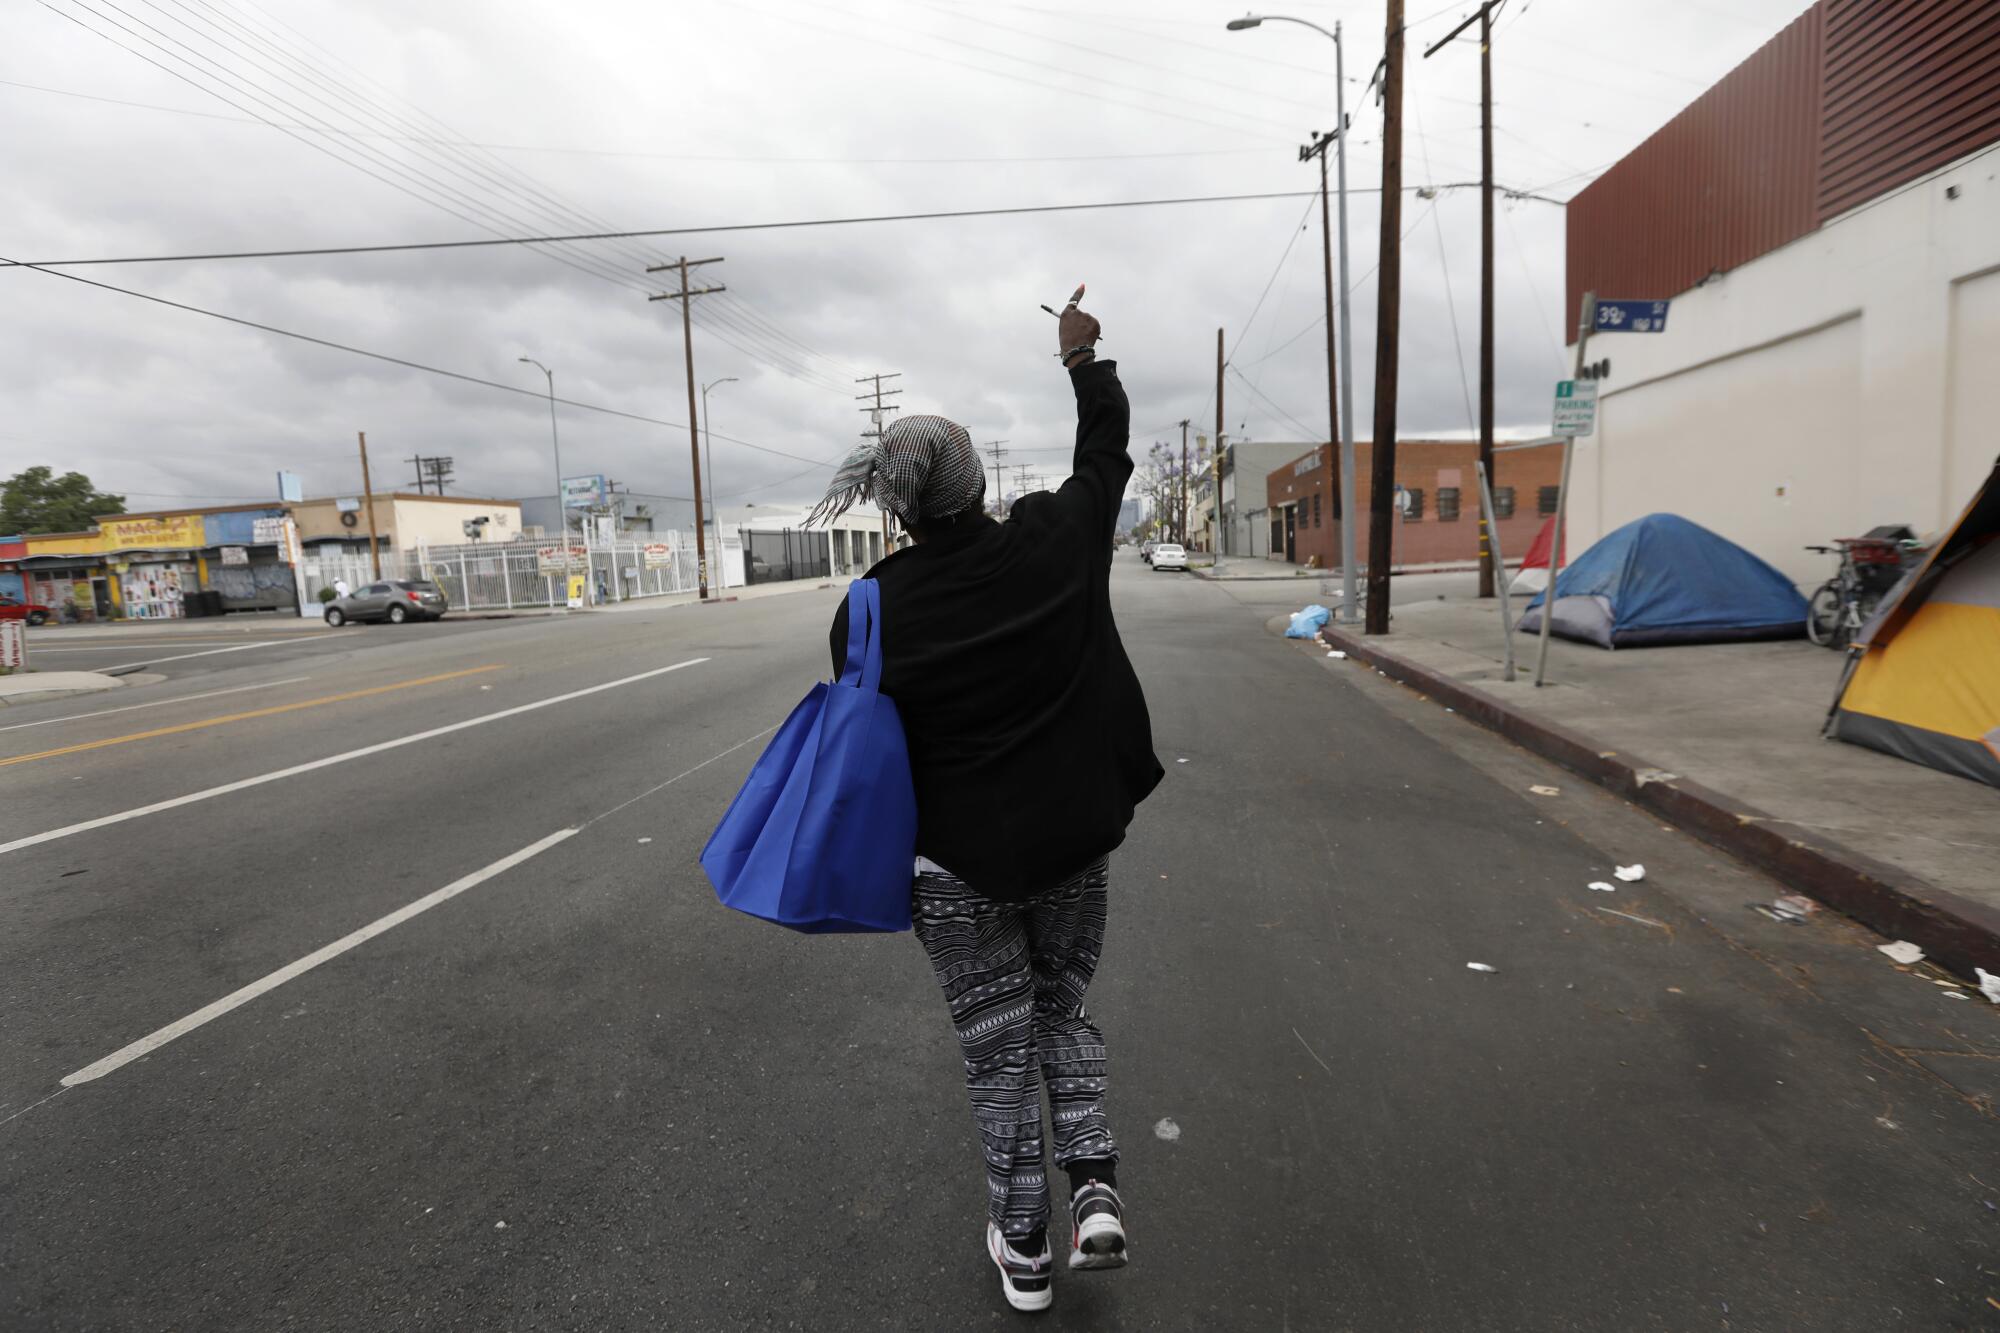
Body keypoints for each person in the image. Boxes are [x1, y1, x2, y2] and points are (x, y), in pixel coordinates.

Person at [814, 287, 1162, 1313]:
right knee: (1061, 1006)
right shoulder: (1054, 542)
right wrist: (1081, 356)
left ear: (898, 507)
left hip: (954, 869)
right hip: (1069, 847)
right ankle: (1093, 1185)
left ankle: (1023, 1247)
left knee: (994, 1049)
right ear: (972, 483)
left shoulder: (872, 605)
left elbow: (862, 719)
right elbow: (1105, 452)